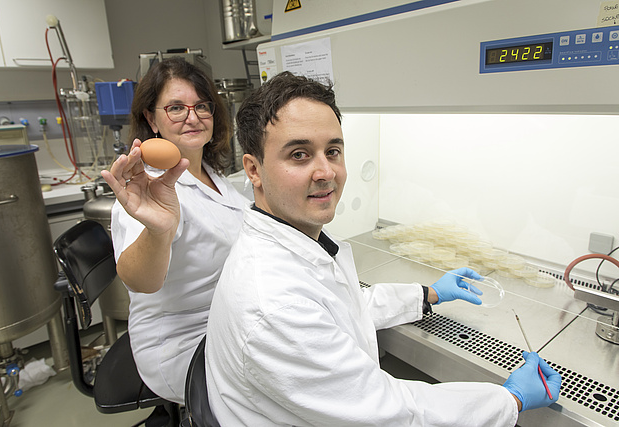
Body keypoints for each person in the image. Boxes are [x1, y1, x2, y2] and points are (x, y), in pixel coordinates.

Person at [205, 71, 561, 426]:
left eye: (332, 151)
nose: (325, 171)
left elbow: (343, 310)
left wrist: (428, 293)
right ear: (253, 169)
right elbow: (394, 414)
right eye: (299, 155)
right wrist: (508, 398)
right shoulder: (274, 304)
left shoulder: (288, 247)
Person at [101, 57, 250, 405]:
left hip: (229, 322)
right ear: (151, 119)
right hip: (184, 343)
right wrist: (158, 231)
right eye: (176, 108)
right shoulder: (146, 187)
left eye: (201, 106)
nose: (193, 116)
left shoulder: (215, 175)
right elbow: (141, 281)